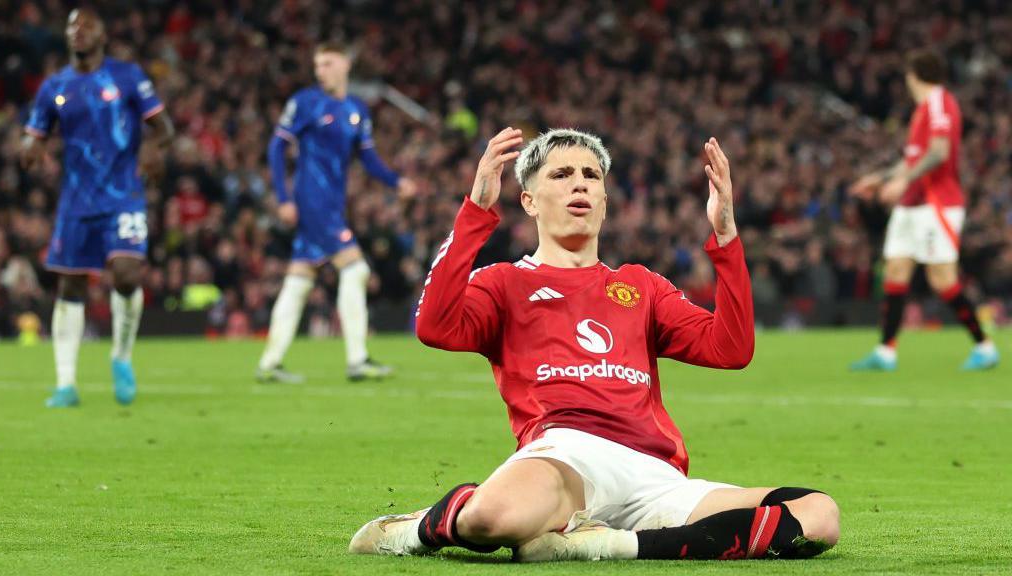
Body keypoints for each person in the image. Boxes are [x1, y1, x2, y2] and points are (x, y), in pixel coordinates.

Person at [349, 128, 839, 562]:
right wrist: (475, 213)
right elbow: (434, 326)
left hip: (655, 476)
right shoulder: (503, 283)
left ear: (604, 200)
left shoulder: (641, 286)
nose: (579, 183)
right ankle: (413, 530)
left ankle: (610, 544)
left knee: (818, 516)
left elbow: (731, 349)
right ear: (529, 200)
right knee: (492, 520)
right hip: (566, 457)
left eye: (590, 174)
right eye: (561, 174)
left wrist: (727, 237)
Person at [20, 8, 175, 408]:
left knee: (126, 274)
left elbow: (163, 127)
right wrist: (29, 148)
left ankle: (121, 357)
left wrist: (154, 149)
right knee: (70, 284)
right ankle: (66, 383)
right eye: (72, 26)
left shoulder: (128, 76)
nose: (79, 32)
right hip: (76, 200)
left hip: (124, 193)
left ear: (103, 34)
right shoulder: (55, 85)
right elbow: (33, 133)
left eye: (87, 25)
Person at [257, 42, 416, 383]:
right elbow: (276, 147)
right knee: (356, 270)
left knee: (299, 279)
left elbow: (368, 159)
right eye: (317, 65)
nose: (320, 70)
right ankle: (357, 358)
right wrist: (284, 197)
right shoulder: (304, 102)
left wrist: (396, 181)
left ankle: (270, 363)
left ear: (346, 63)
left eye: (327, 63)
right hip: (312, 202)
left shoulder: (357, 109)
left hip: (332, 204)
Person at [850, 49, 998, 372]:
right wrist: (880, 178)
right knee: (895, 270)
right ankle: (886, 351)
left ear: (913, 75)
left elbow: (939, 153)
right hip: (912, 204)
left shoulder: (939, 103)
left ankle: (984, 346)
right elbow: (914, 157)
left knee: (942, 278)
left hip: (937, 204)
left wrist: (902, 180)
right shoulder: (922, 111)